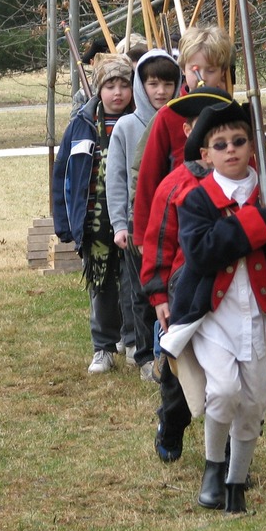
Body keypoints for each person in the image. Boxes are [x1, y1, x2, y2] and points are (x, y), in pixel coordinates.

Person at [159, 101, 266, 514]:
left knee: (253, 403)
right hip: (212, 318)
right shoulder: (197, 201)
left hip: (257, 319)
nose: (231, 149)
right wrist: (256, 224)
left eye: (239, 141)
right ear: (205, 155)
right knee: (223, 390)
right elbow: (202, 252)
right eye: (221, 144)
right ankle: (213, 467)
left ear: (253, 147)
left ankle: (235, 482)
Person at [140, 86, 232, 462]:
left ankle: (230, 449)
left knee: (234, 375)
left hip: (232, 293)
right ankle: (172, 422)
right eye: (204, 130)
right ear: (189, 133)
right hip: (186, 295)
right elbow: (158, 244)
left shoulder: (246, 185)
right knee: (182, 373)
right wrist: (159, 296)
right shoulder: (175, 186)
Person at [52, 52, 134, 374]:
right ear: (98, 89)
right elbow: (63, 175)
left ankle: (134, 342)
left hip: (130, 221)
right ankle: (103, 347)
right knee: (101, 287)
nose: (117, 93)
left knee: (132, 284)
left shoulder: (138, 123)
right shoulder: (80, 126)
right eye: (110, 86)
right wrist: (65, 223)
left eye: (124, 85)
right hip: (93, 223)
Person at [106, 48, 181, 379]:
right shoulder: (126, 126)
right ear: (141, 84)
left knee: (171, 287)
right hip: (139, 223)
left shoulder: (182, 121)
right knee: (140, 290)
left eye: (168, 83)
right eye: (153, 84)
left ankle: (170, 350)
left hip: (174, 221)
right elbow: (117, 179)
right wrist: (119, 225)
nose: (161, 91)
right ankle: (144, 355)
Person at [132, 25, 234, 251]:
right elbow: (148, 176)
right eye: (195, 69)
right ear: (184, 69)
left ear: (222, 72)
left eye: (211, 70)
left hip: (228, 220)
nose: (202, 77)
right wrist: (142, 237)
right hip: (178, 222)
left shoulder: (231, 111)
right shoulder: (168, 115)